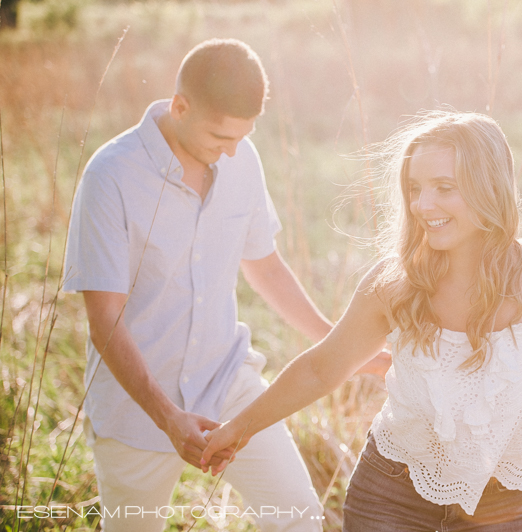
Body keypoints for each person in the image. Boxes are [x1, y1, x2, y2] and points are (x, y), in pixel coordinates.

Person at [201, 110, 522, 531]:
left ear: (488, 188)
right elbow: (323, 367)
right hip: (389, 495)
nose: (422, 204)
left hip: (503, 508)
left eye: (444, 187)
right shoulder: (395, 282)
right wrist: (237, 430)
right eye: (415, 188)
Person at [63, 38, 386, 532]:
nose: (233, 150)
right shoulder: (111, 176)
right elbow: (104, 319)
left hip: (229, 383)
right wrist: (168, 417)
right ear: (180, 106)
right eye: (220, 136)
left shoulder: (241, 156)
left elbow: (266, 266)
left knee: (298, 517)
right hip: (137, 409)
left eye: (242, 136)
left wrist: (337, 346)